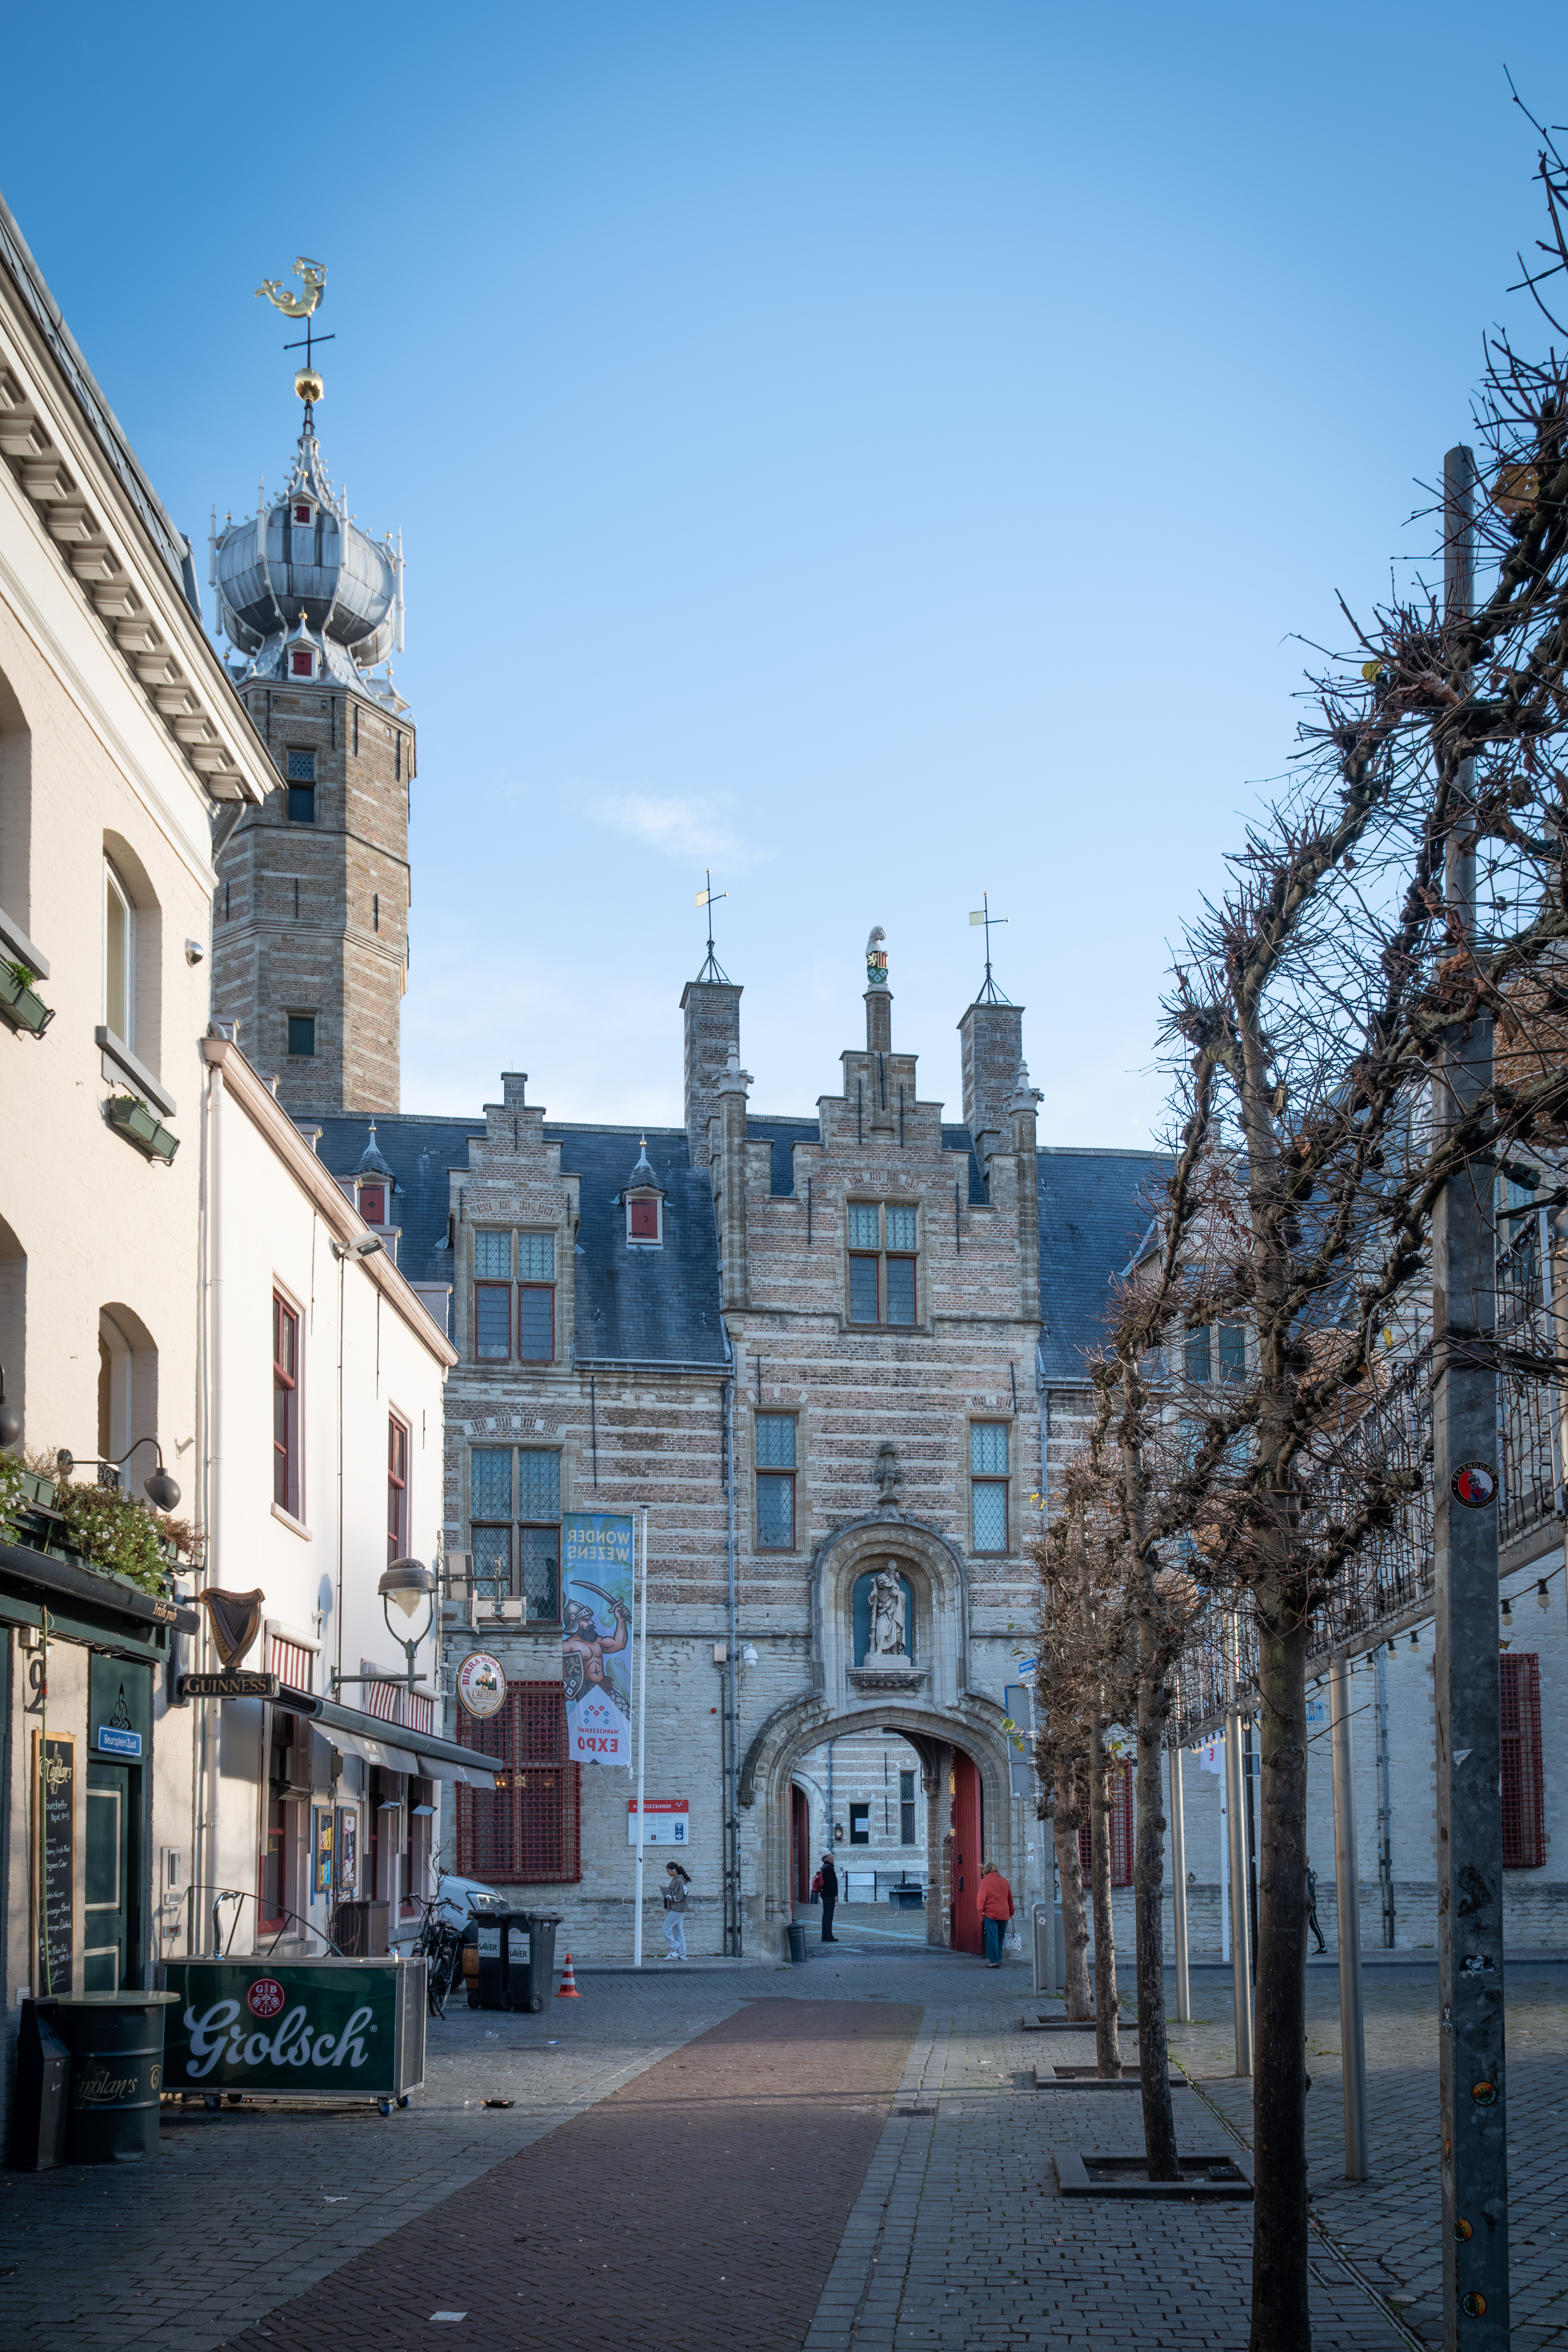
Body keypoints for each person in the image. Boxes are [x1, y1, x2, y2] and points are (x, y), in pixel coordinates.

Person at [978, 1860, 1014, 1967]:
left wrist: (981, 1913)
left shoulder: (985, 1882)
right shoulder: (1004, 1881)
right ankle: (999, 1958)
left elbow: (981, 1899)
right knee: (1000, 1938)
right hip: (1004, 1913)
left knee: (992, 1938)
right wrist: (1011, 1912)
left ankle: (994, 1961)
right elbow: (1010, 1898)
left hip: (991, 1914)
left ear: (986, 1872)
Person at [662, 1860, 691, 1959]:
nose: (668, 1873)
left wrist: (669, 1896)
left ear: (674, 1870)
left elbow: (679, 1896)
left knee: (666, 1928)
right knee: (678, 1931)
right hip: (678, 1908)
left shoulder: (679, 1881)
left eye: (668, 1871)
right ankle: (683, 1955)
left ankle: (674, 1948)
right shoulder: (677, 1880)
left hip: (677, 1908)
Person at [818, 1850, 840, 1942]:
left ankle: (825, 1935)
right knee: (829, 1916)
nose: (834, 1859)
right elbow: (832, 1884)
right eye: (832, 1857)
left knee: (826, 1915)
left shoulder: (824, 1867)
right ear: (828, 1859)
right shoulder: (829, 1868)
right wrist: (835, 1895)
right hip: (829, 1895)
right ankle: (829, 1935)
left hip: (825, 1895)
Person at [1306, 1860, 1326, 1955]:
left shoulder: (1308, 1875)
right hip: (1309, 1903)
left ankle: (1323, 1947)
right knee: (1313, 1926)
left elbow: (1310, 1891)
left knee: (1314, 1925)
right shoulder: (1309, 1874)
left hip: (1310, 1904)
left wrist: (1309, 1902)